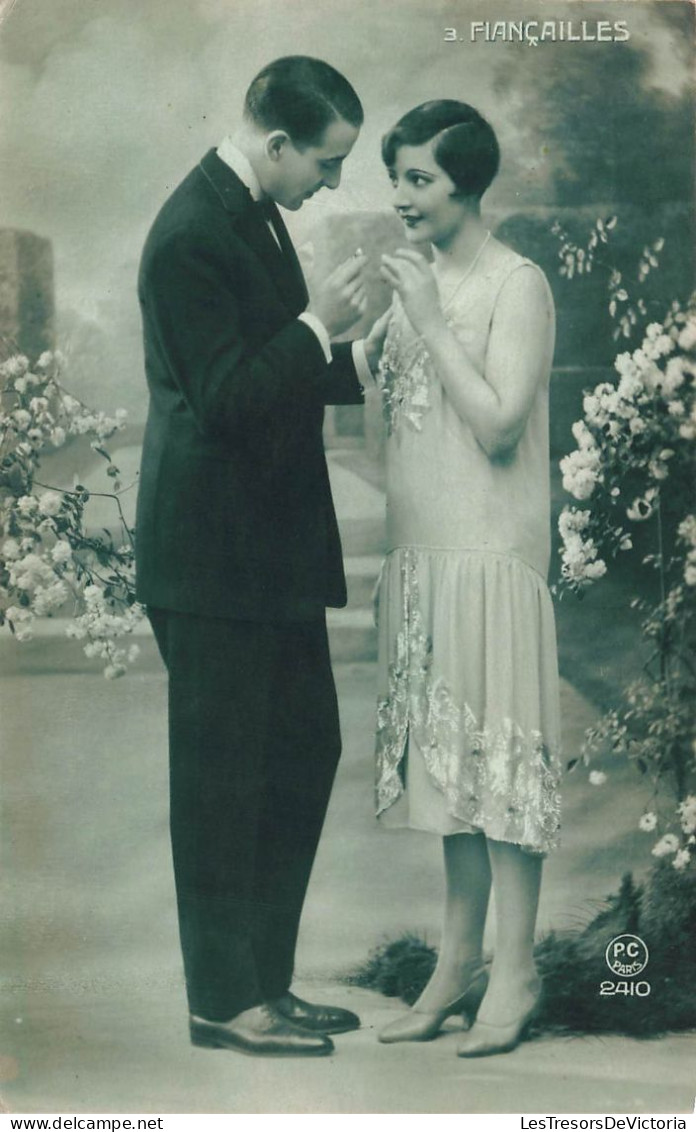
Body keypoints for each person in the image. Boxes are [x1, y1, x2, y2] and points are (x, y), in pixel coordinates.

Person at [135, 56, 385, 1058]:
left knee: (300, 751)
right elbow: (233, 396)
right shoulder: (188, 235)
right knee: (221, 779)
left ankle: (264, 986)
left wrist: (372, 355)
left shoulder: (254, 211)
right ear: (277, 144)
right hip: (210, 558)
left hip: (263, 552)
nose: (333, 181)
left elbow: (280, 372)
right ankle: (222, 1003)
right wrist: (323, 319)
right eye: (326, 161)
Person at [367, 100, 562, 1057]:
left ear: (468, 184)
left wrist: (430, 324)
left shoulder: (513, 283)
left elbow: (497, 427)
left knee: (503, 774)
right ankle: (455, 966)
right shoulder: (423, 283)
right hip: (427, 559)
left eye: (419, 179)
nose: (400, 196)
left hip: (491, 562)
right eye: (395, 176)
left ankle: (515, 969)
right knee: (451, 777)